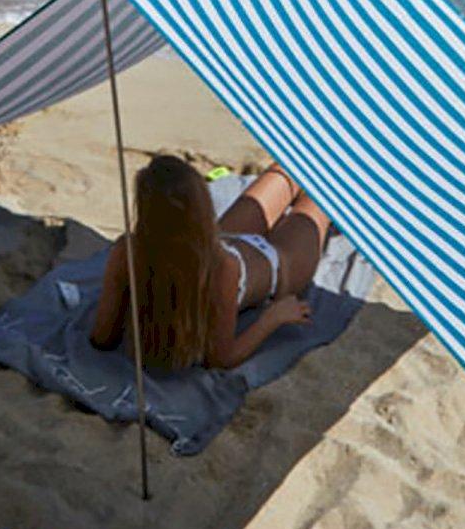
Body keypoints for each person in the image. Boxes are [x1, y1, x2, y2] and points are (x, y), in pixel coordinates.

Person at [89, 154, 331, 370]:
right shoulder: (221, 269)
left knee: (293, 166)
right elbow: (221, 358)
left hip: (226, 237)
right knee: (322, 185)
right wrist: (273, 318)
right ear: (200, 210)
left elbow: (102, 337)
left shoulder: (128, 250)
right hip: (280, 268)